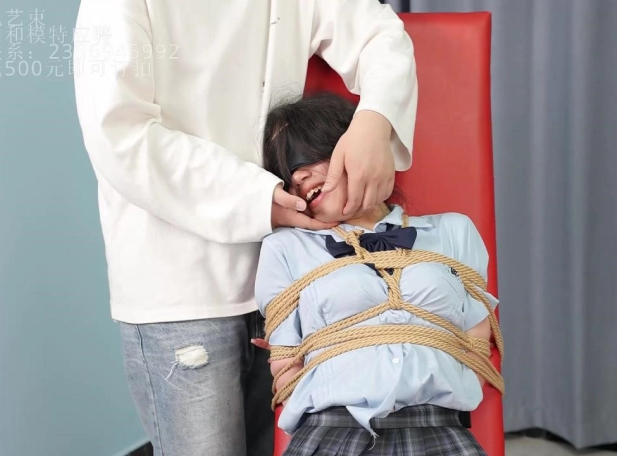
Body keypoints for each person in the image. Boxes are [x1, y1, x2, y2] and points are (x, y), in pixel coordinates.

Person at [72, 1, 417, 455]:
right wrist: (257, 197)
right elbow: (120, 135)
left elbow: (378, 34)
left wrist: (374, 119)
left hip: (292, 279)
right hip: (181, 285)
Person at [254, 93, 499, 455]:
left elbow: (477, 338)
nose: (298, 176)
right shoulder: (285, 248)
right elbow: (286, 360)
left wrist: (446, 394)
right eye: (285, 173)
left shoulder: (453, 231)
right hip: (332, 432)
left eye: (305, 154)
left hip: (437, 429)